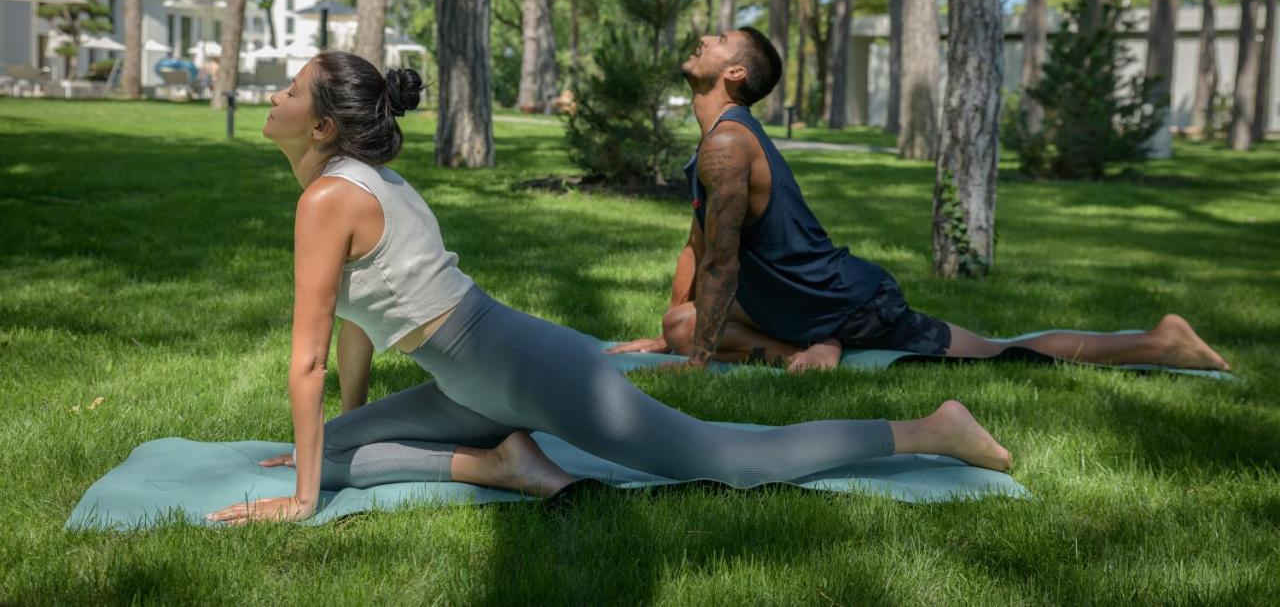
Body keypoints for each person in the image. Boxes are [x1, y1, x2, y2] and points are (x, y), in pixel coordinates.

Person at [207, 51, 1011, 524]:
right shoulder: (352, 181)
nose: (273, 95)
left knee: (730, 457)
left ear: (320, 126)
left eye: (288, 90)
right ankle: (505, 460)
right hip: (471, 372)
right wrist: (342, 431)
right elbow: (352, 326)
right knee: (333, 449)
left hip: (518, 363)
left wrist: (305, 500)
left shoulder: (330, 197)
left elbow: (304, 360)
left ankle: (930, 428)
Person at [607, 28, 1231, 374]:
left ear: (735, 74)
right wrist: (673, 338)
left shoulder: (728, 147)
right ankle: (807, 348)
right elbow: (698, 244)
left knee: (998, 351)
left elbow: (723, 263)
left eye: (717, 39)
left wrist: (699, 364)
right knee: (682, 325)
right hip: (801, 309)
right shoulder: (714, 142)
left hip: (850, 304)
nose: (703, 37)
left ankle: (1160, 344)